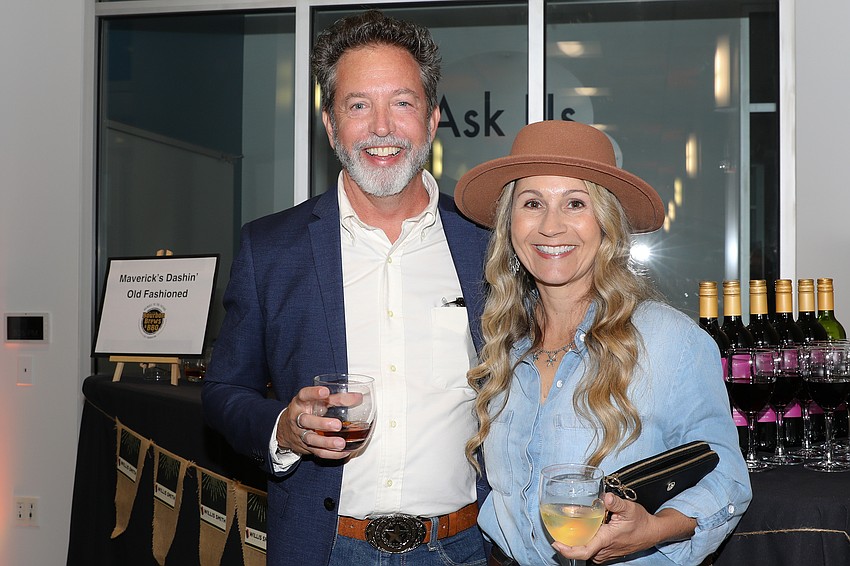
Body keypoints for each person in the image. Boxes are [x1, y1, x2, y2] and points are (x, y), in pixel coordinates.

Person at [202, 10, 490, 566]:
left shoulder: (485, 244)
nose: (381, 127)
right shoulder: (272, 248)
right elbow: (222, 393)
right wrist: (282, 429)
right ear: (331, 127)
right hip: (326, 550)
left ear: (431, 121)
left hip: (465, 547)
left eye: (402, 103)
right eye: (359, 105)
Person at [453, 120, 751, 565]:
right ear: (509, 224)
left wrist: (652, 528)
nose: (551, 227)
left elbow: (728, 475)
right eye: (532, 203)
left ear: (606, 222)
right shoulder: (501, 344)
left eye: (575, 203)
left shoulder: (667, 340)